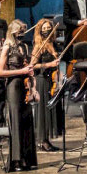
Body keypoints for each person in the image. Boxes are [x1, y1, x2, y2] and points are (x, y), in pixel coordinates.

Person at [0, 19, 38, 172]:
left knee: (27, 121)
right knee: (17, 123)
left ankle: (27, 159)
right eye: (19, 32)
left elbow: (27, 69)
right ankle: (16, 161)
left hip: (25, 86)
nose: (22, 34)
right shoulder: (7, 47)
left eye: (23, 32)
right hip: (13, 87)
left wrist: (34, 88)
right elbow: (0, 72)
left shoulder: (24, 46)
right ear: (13, 32)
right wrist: (21, 71)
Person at [31, 18, 61, 152]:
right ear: (39, 31)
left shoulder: (52, 44)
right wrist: (49, 64)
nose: (47, 30)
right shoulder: (39, 46)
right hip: (42, 80)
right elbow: (32, 65)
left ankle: (46, 139)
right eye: (44, 29)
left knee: (49, 111)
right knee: (43, 111)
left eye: (49, 28)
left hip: (51, 80)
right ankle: (42, 141)